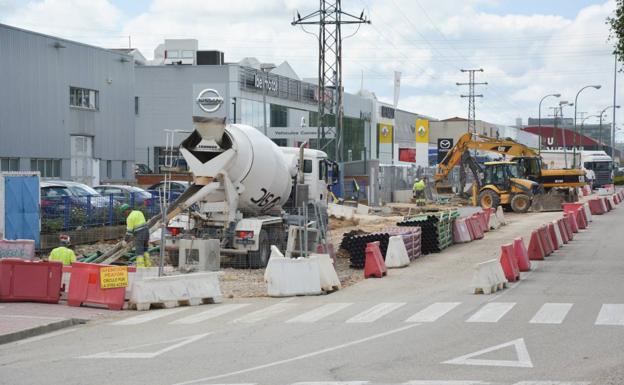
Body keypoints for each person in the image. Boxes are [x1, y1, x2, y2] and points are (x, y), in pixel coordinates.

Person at [120, 203, 151, 268]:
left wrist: (125, 241)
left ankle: (141, 267)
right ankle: (148, 265)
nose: (124, 214)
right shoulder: (139, 212)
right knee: (145, 249)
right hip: (146, 232)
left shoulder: (129, 218)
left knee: (139, 251)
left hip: (140, 234)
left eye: (123, 212)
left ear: (126, 210)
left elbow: (129, 232)